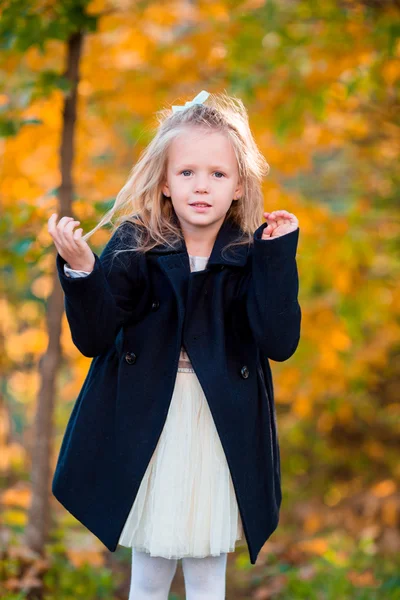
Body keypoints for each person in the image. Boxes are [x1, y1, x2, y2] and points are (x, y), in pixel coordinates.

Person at [48, 90, 301, 599]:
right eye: (187, 173)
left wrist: (277, 257)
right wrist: (83, 270)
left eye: (217, 174)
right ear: (165, 182)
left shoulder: (250, 253)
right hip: (149, 423)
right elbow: (95, 336)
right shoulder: (134, 242)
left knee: (208, 573)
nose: (201, 186)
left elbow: (279, 341)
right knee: (150, 573)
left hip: (218, 427)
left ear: (238, 186)